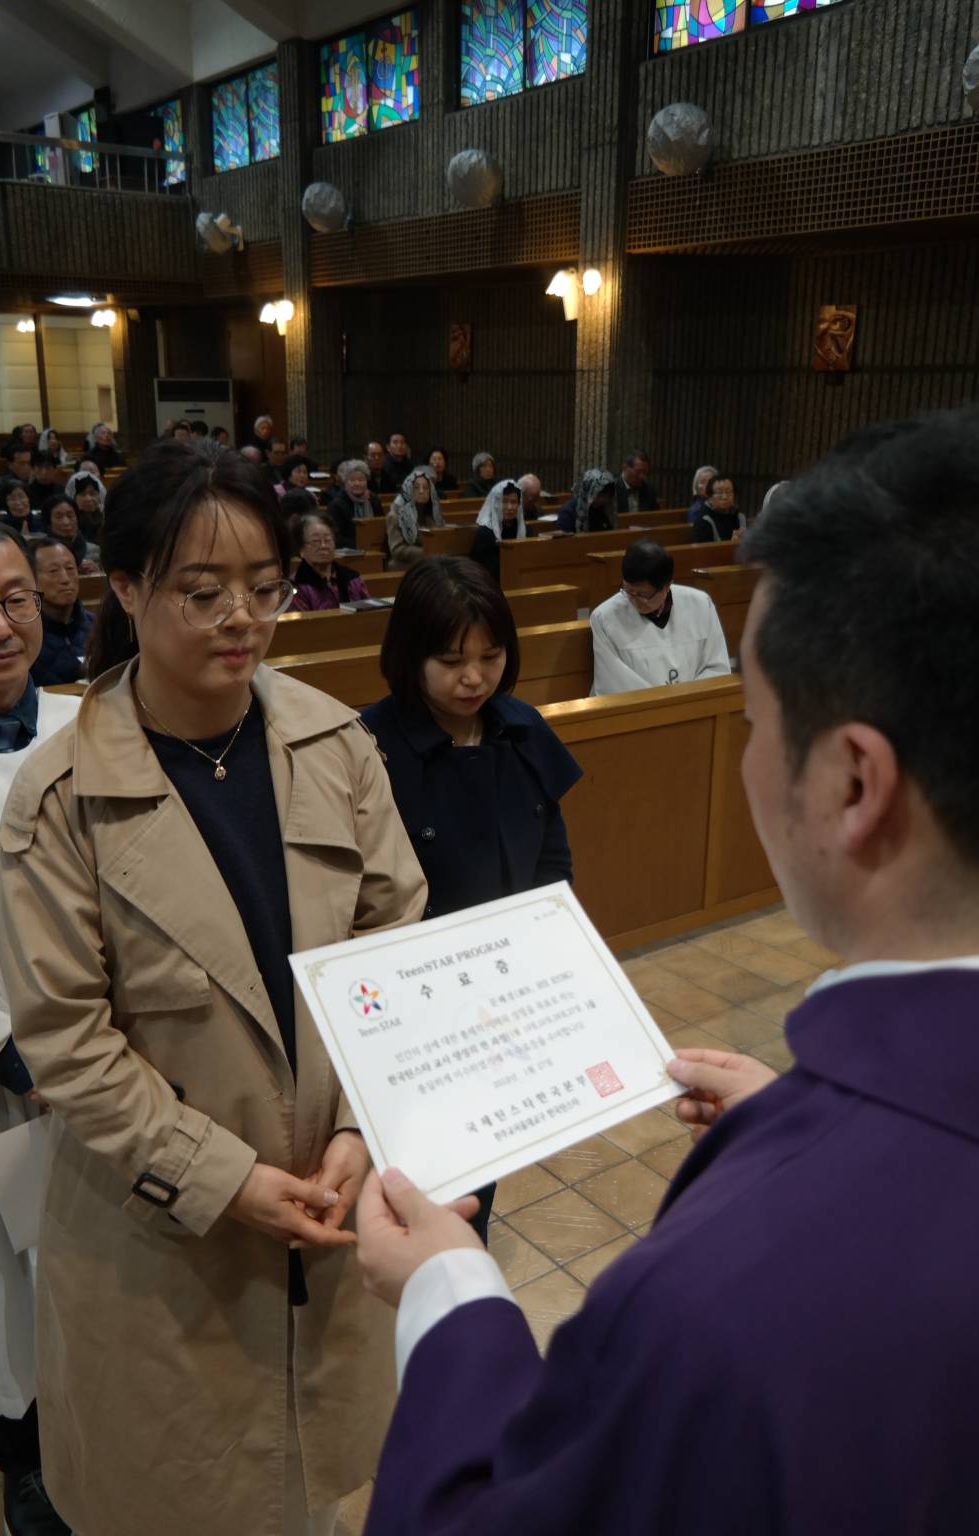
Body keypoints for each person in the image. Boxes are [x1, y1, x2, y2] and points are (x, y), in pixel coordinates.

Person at [354, 406, 979, 1536]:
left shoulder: (721, 1295)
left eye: (751, 719)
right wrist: (803, 1116)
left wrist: (451, 1290)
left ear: (852, 782)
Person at [0, 439, 427, 1536]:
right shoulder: (62, 796)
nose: (242, 618)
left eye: (264, 587)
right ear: (127, 589)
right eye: (202, 591)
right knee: (184, 1493)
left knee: (316, 1483)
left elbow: (394, 940)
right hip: (160, 1232)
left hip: (329, 1197)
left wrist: (361, 1127)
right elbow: (68, 1040)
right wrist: (226, 1178)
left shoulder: (333, 743)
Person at [360, 556, 582, 1241]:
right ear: (410, 655)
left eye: (491, 656)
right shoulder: (368, 745)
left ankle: (462, 1254)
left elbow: (552, 858)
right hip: (412, 1000)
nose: (474, 678)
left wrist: (546, 954)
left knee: (481, 1156)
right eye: (452, 660)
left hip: (504, 990)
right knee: (412, 1168)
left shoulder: (521, 728)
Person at [0, 512, 78, 1536]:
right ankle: (27, 1472)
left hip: (123, 1077)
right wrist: (16, 1055)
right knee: (8, 1296)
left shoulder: (97, 726)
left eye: (14, 600)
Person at [589, 540, 730, 695]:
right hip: (640, 707)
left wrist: (688, 700)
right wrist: (662, 703)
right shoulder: (604, 618)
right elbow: (613, 681)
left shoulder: (700, 604)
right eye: (628, 591)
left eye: (643, 594)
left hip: (695, 704)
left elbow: (716, 666)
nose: (635, 600)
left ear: (667, 586)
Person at [29, 536, 95, 686]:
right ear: (32, 580)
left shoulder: (98, 626)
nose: (65, 579)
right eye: (53, 571)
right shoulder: (26, 634)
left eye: (70, 569)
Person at [289, 512, 373, 611]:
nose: (323, 546)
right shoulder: (296, 585)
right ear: (301, 550)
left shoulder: (352, 578)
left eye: (328, 540)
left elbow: (370, 613)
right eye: (316, 541)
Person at [386, 467, 445, 568]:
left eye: (426, 488)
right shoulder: (395, 516)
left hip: (430, 562)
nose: (421, 491)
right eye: (416, 488)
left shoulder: (433, 513)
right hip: (405, 565)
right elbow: (397, 550)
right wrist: (426, 552)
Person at [470, 479, 526, 582]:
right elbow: (484, 570)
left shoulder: (524, 529)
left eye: (513, 502)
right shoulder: (486, 533)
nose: (509, 507)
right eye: (504, 502)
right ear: (495, 504)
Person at [38, 493, 101, 572]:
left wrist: (97, 572)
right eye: (59, 517)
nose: (66, 522)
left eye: (70, 516)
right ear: (48, 523)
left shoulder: (95, 551)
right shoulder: (40, 553)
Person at [329, 458, 382, 547]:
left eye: (361, 480)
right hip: (349, 550)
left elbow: (380, 527)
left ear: (367, 481)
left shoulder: (374, 500)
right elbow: (337, 537)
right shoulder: (336, 505)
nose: (357, 483)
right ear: (345, 482)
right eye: (352, 480)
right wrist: (360, 545)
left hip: (374, 547)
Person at [557, 468, 616, 533]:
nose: (603, 500)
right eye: (599, 495)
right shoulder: (568, 512)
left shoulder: (605, 510)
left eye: (607, 496)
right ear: (587, 491)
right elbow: (565, 538)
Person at [693, 475, 747, 543]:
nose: (724, 497)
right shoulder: (703, 520)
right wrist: (731, 544)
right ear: (710, 496)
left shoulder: (740, 516)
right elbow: (702, 549)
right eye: (719, 493)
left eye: (728, 492)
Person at [614, 449, 659, 516]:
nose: (642, 476)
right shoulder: (612, 489)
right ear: (625, 468)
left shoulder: (649, 489)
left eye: (645, 472)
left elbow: (656, 516)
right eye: (638, 471)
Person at [64, 468, 106, 541]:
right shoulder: (69, 522)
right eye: (82, 494)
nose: (88, 499)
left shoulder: (105, 519)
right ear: (73, 497)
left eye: (92, 494)